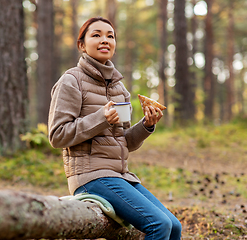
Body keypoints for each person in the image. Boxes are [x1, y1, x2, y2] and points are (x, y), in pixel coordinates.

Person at [48, 17, 182, 240]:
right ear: (82, 45)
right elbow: (57, 136)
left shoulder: (120, 89)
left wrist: (146, 125)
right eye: (96, 35)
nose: (105, 40)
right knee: (159, 225)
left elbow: (125, 142)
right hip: (90, 177)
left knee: (174, 226)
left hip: (121, 176)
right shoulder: (71, 81)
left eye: (110, 36)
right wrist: (101, 118)